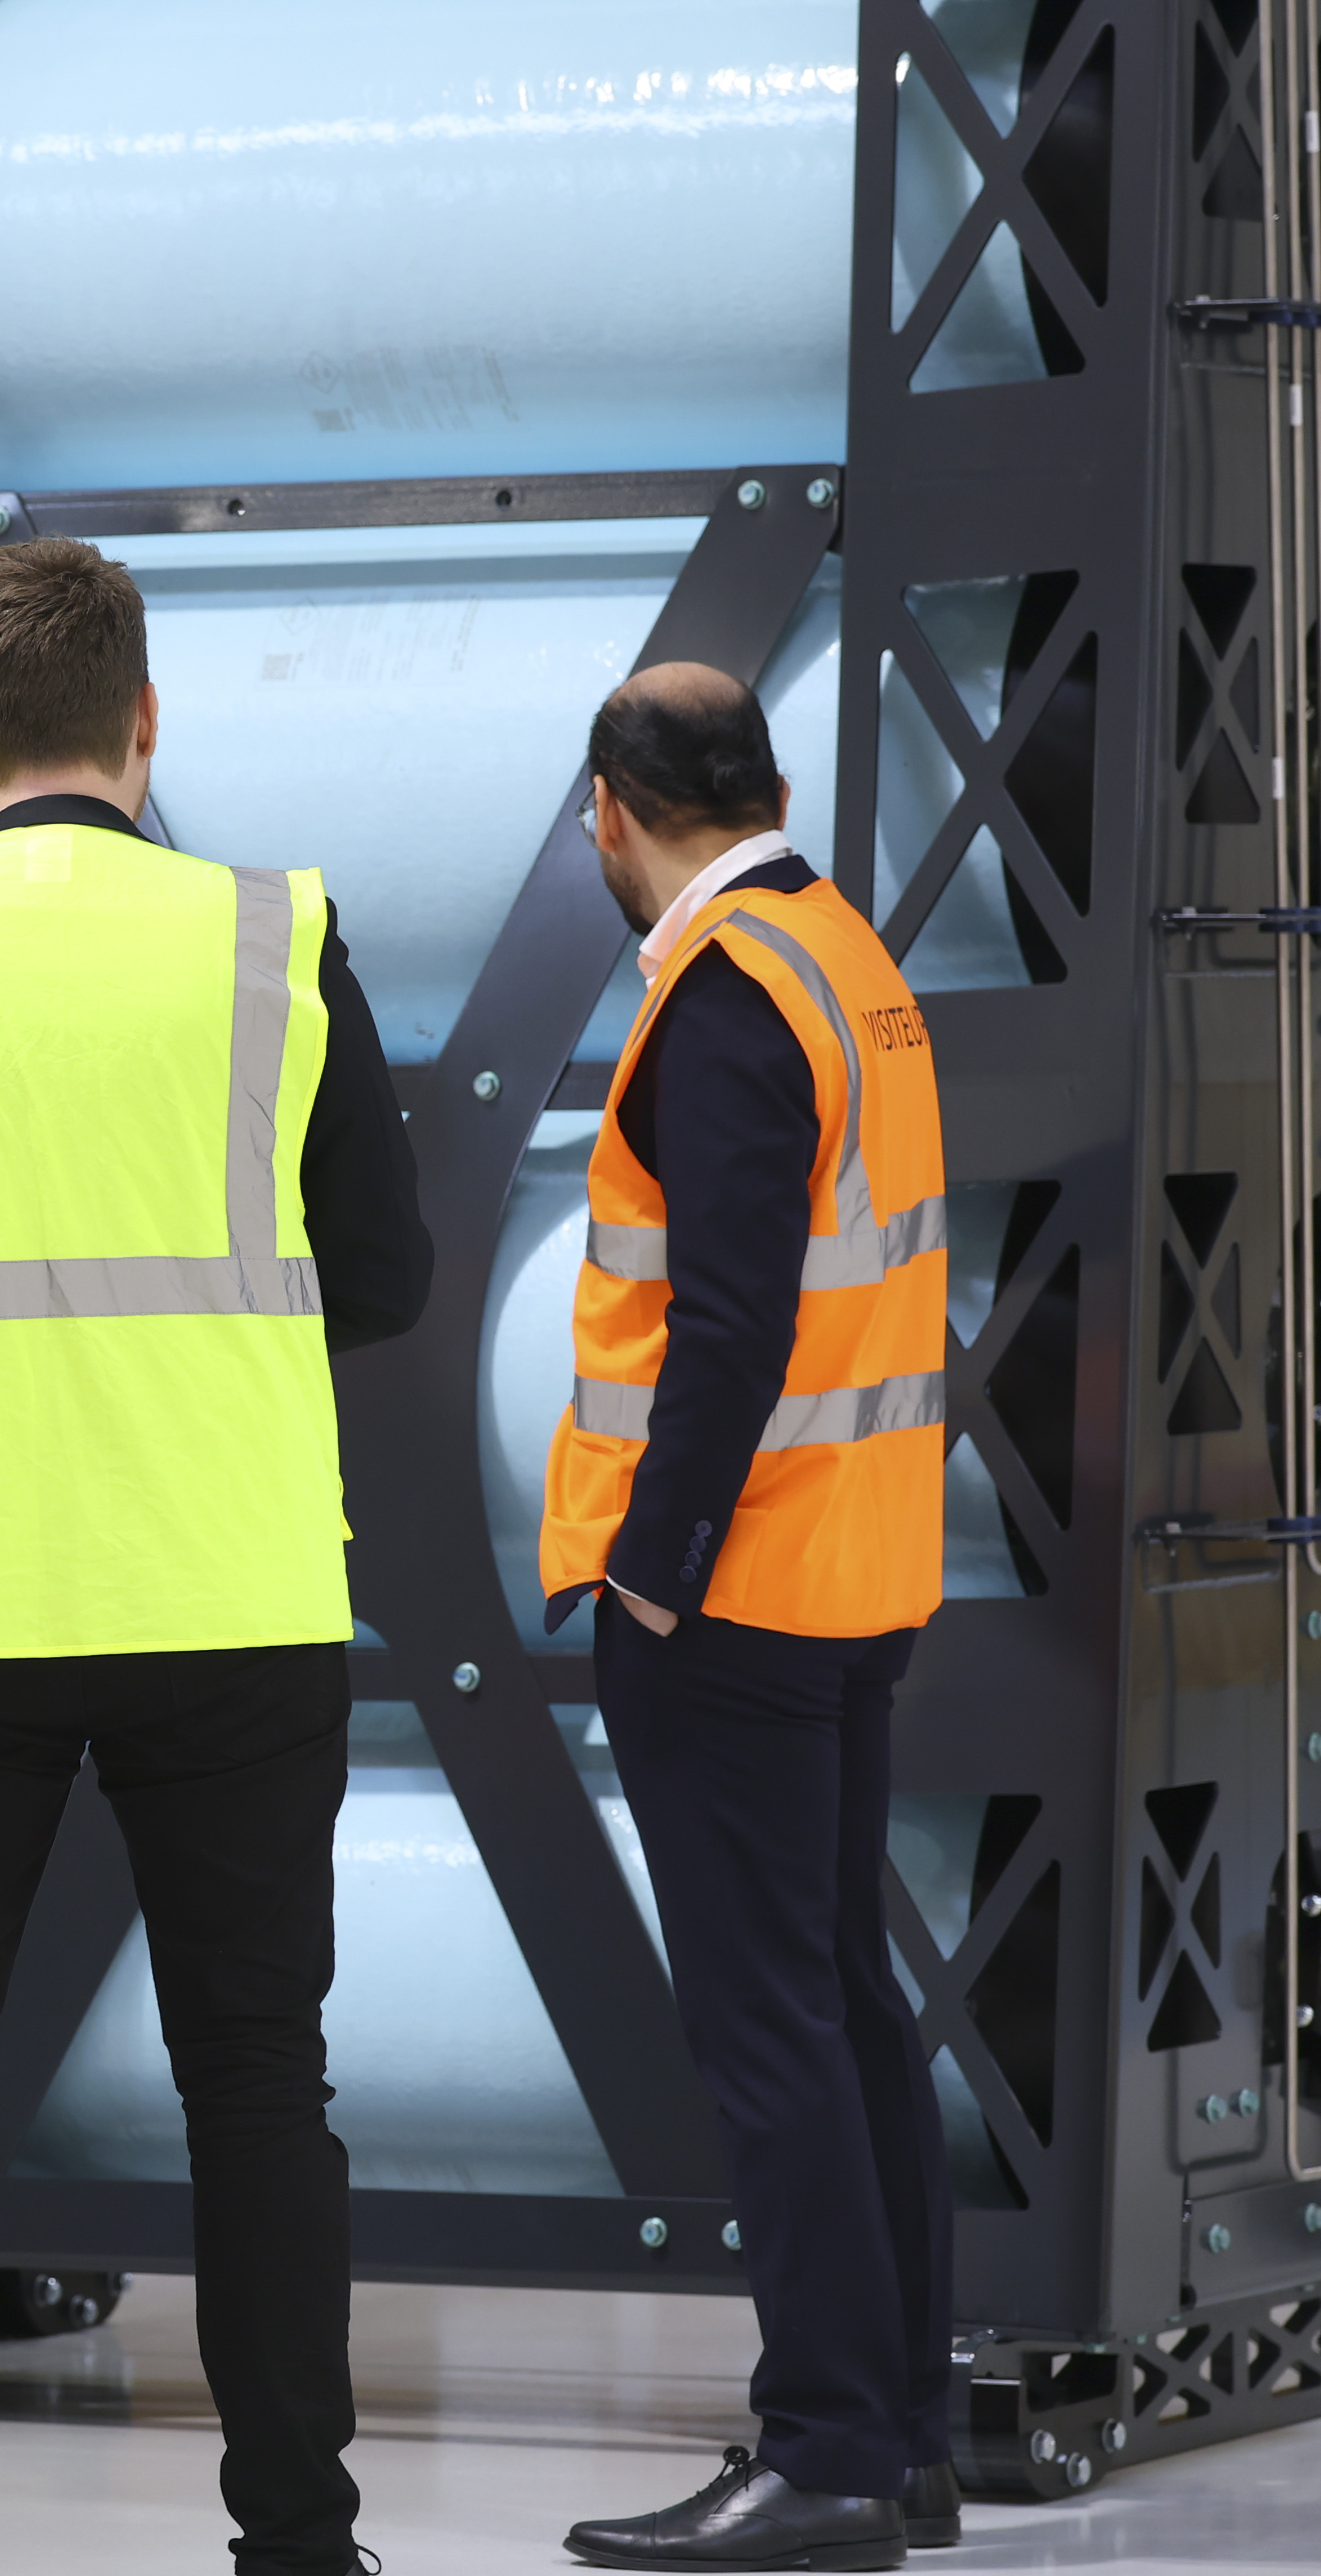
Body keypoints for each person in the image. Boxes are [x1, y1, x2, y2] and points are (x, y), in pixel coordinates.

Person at [0, 535, 431, 2576]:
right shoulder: (271, 941)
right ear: (146, 720)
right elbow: (388, 1273)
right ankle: (298, 2544)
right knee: (260, 2085)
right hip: (222, 1581)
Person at [543, 667, 956, 2571]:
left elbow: (727, 1320)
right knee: (846, 2010)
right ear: (767, 788)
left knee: (771, 2027)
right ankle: (903, 2433)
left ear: (614, 814)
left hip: (734, 1596)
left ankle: (829, 2455)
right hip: (853, 1571)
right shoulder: (847, 957)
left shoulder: (720, 998)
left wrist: (654, 1566)